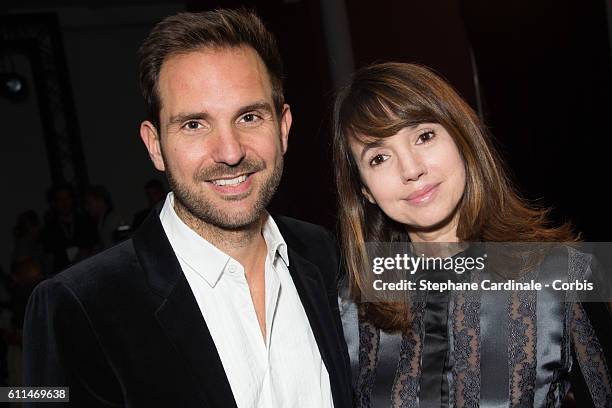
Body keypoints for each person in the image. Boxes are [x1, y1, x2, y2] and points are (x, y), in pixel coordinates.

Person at [23, 9, 351, 407]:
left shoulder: (321, 253)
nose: (230, 152)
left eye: (249, 117)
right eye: (195, 124)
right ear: (155, 145)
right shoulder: (76, 306)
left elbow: (429, 292)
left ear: (282, 128)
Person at [332, 62, 612, 407]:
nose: (411, 169)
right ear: (365, 191)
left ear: (461, 137)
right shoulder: (348, 307)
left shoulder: (565, 276)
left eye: (424, 136)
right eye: (378, 158)